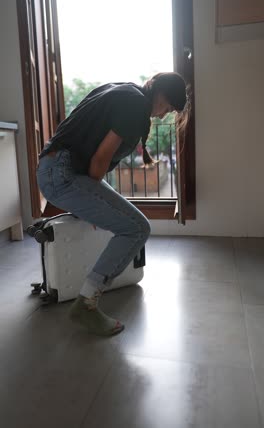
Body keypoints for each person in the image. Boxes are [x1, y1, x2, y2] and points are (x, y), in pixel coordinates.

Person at [36, 72, 189, 337]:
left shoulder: (128, 91)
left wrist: (94, 202)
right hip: (62, 173)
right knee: (138, 228)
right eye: (168, 108)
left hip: (57, 168)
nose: (163, 115)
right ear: (161, 94)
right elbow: (100, 160)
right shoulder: (135, 106)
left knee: (132, 223)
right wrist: (94, 202)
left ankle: (87, 299)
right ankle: (86, 303)